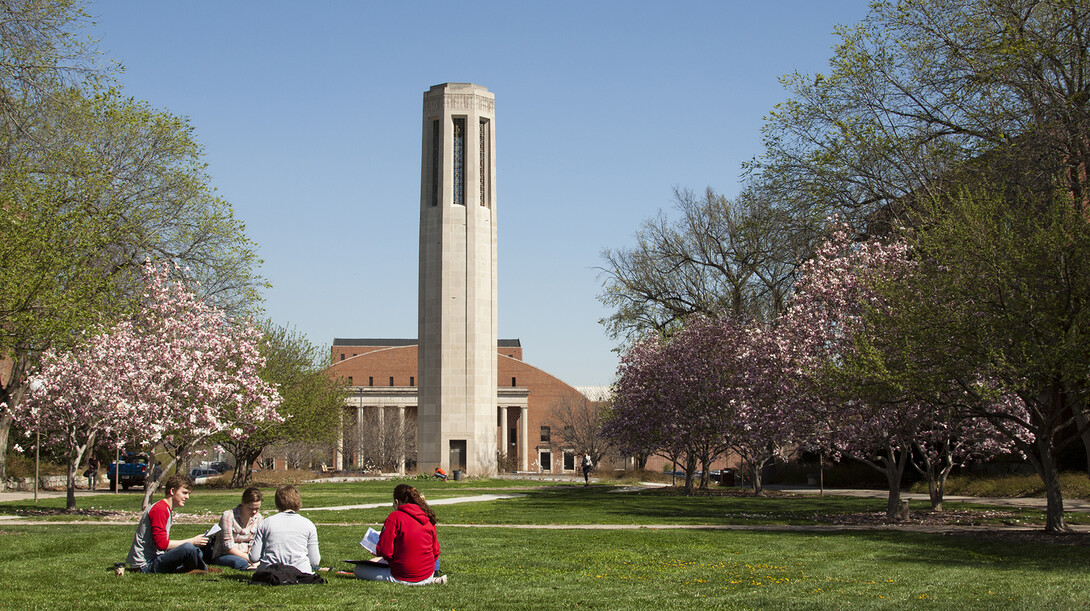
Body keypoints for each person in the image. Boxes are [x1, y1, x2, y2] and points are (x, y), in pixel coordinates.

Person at [354, 484, 445, 585]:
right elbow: (435, 551)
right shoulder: (427, 517)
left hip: (403, 575)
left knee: (359, 569)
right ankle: (430, 580)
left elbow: (386, 551)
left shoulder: (395, 517)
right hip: (427, 574)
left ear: (396, 502)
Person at [127, 474, 210, 574]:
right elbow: (162, 545)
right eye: (184, 493)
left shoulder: (165, 509)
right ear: (172, 491)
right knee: (188, 548)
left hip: (156, 557)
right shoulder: (160, 509)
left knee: (195, 550)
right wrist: (192, 541)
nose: (187, 497)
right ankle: (198, 569)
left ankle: (193, 568)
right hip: (145, 565)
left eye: (188, 494)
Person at [249, 485, 320, 575]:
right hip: (301, 572)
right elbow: (315, 561)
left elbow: (254, 557)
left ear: (277, 503)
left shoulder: (266, 523)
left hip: (269, 572)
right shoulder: (309, 525)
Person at [210, 487, 264, 570]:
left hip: (248, 554)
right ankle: (248, 568)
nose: (254, 512)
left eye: (257, 509)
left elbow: (253, 543)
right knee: (240, 562)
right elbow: (228, 547)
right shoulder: (228, 516)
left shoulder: (259, 518)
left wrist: (252, 557)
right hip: (225, 554)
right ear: (243, 503)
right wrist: (249, 559)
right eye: (250, 508)